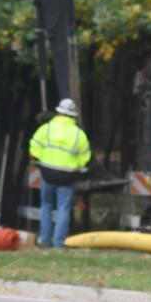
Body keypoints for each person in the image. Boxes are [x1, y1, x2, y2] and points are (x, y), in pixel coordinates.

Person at [29, 98, 91, 249]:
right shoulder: (79, 134)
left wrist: (41, 158)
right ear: (73, 116)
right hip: (67, 176)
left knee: (46, 206)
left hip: (47, 173)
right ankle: (58, 244)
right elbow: (85, 158)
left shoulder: (47, 128)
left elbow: (34, 147)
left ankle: (45, 241)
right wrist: (76, 165)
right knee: (63, 209)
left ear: (58, 112)